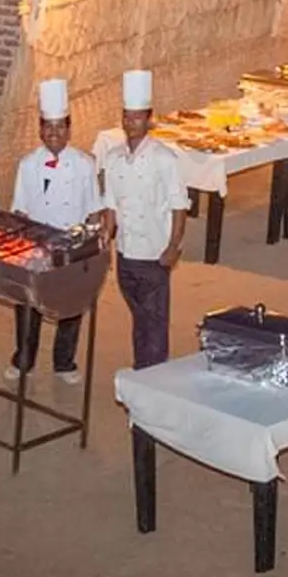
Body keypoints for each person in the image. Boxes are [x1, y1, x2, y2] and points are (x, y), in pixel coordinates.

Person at [5, 77, 101, 384]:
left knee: (71, 305)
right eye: (48, 126)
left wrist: (90, 245)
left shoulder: (85, 164)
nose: (54, 133)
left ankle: (64, 361)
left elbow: (93, 210)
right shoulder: (28, 164)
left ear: (69, 130)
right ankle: (23, 359)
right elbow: (20, 209)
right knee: (29, 304)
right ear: (40, 128)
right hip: (36, 244)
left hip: (71, 244)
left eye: (60, 126)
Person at [97, 68, 189, 369]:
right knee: (140, 318)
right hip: (126, 252)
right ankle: (143, 370)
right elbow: (110, 206)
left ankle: (153, 377)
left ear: (149, 119)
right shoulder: (113, 158)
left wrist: (173, 245)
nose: (130, 123)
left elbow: (178, 205)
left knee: (154, 322)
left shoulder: (165, 159)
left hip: (154, 253)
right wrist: (105, 242)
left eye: (136, 117)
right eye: (126, 116)